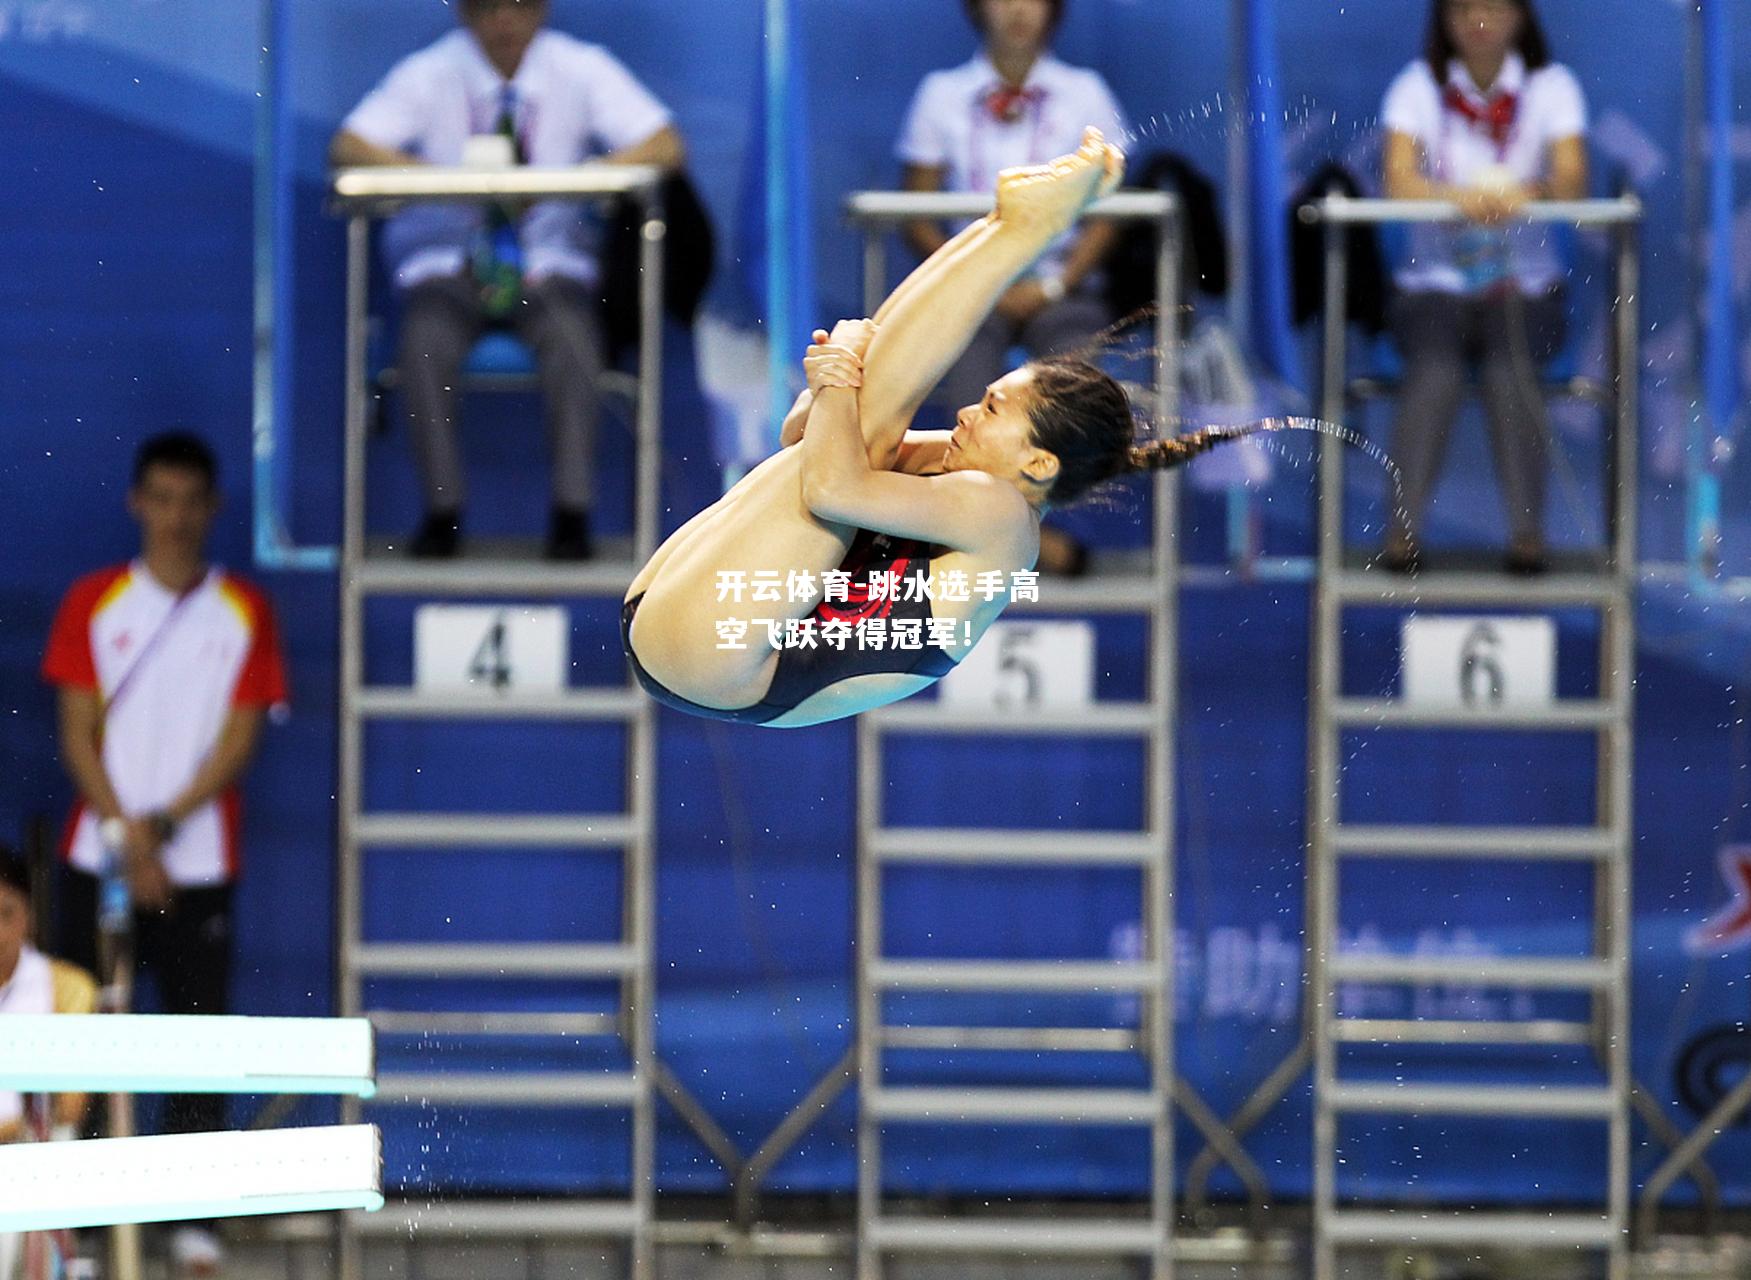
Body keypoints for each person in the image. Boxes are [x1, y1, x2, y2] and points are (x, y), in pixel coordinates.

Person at [622, 130, 1242, 728]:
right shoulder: (975, 478)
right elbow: (806, 443)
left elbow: (832, 486)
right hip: (688, 633)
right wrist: (839, 378)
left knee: (870, 418)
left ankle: (1018, 229)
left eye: (995, 410)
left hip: (715, 661)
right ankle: (1010, 225)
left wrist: (840, 376)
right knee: (873, 419)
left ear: (1039, 464)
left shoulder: (997, 512)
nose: (968, 412)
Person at [41, 433, 287, 1278]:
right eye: (161, 497)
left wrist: (165, 829)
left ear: (213, 509)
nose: (176, 517)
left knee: (196, 1038)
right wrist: (127, 838)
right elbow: (78, 733)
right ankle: (82, 1222)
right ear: (135, 503)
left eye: (192, 500)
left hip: (199, 863)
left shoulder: (243, 611)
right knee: (88, 1041)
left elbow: (239, 736)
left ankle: (192, 1220)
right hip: (98, 859)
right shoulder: (93, 601)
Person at [331, 0, 687, 560]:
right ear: (464, 15)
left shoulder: (579, 66)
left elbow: (664, 144)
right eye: (487, 8)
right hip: (452, 267)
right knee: (423, 347)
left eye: (517, 6)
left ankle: (572, 514)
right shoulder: (432, 71)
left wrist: (586, 177)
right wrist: (445, 182)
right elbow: (348, 145)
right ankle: (442, 512)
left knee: (577, 345)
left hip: (547, 268)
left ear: (542, 10)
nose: (503, 23)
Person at [897, 0, 1129, 576]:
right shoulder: (940, 94)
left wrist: (1053, 284)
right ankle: (994, 534)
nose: (1018, 10)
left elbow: (1113, 209)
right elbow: (914, 211)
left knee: (1067, 388)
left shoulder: (1086, 92)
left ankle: (1022, 532)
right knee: (967, 379)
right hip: (975, 287)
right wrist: (975, 275)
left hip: (1062, 290)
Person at [1378, 0, 1588, 574]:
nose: (1479, 21)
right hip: (1434, 288)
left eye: (1494, 6)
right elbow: (1397, 176)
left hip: (1523, 289)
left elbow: (1571, 177)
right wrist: (1459, 199)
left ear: (1521, 16)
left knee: (1508, 371)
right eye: (1465, 8)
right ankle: (1402, 532)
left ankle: (1528, 535)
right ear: (1443, 19)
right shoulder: (1417, 86)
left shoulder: (1552, 86)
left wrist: (1528, 195)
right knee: (1436, 372)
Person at [0, 850, 97, 1280]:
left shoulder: (67, 987)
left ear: (29, 917)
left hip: (28, 1150)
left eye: (6, 914)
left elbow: (70, 1108)